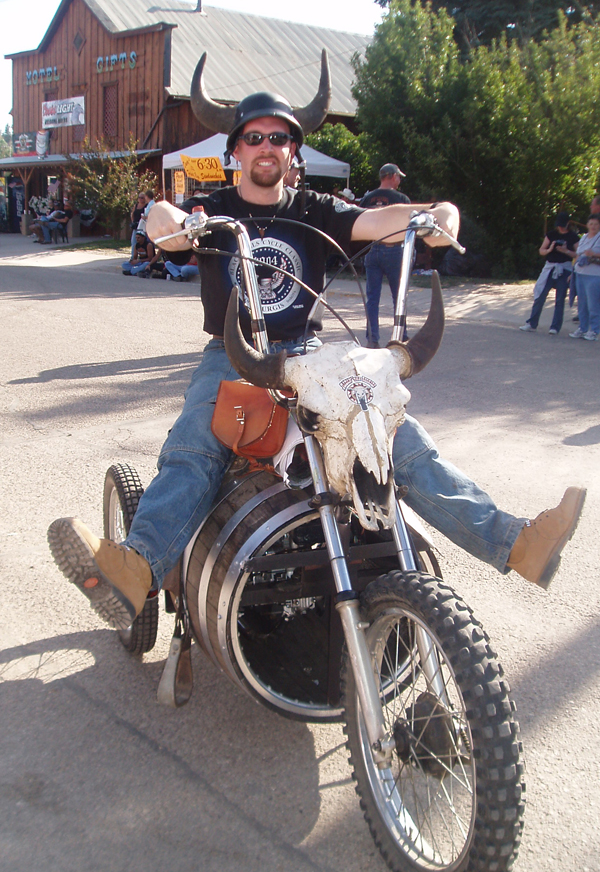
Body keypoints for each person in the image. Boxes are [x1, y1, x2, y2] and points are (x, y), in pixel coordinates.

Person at [47, 88, 585, 632]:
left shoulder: (314, 209)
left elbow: (381, 221)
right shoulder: (212, 210)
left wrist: (437, 213)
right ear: (236, 150)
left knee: (396, 437)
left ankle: (518, 543)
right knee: (195, 447)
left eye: (279, 138)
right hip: (234, 356)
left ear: (292, 153)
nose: (267, 147)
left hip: (308, 353)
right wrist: (166, 219)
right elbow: (166, 224)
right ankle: (136, 569)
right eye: (254, 137)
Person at [360, 164, 411, 347]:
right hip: (393, 249)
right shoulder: (401, 199)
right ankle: (400, 336)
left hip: (372, 249)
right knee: (399, 296)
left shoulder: (367, 198)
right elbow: (409, 225)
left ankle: (372, 339)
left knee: (372, 298)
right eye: (399, 177)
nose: (399, 180)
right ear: (392, 176)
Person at [519, 212, 579, 335]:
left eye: (563, 225)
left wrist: (566, 251)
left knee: (560, 298)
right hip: (550, 267)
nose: (561, 228)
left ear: (568, 224)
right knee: (540, 295)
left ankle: (555, 327)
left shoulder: (573, 237)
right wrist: (549, 249)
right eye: (559, 225)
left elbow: (578, 254)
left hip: (565, 268)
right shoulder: (551, 234)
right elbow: (541, 250)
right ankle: (532, 323)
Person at [569, 213, 600, 341]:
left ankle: (594, 330)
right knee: (581, 303)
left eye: (596, 224)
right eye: (591, 224)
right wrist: (572, 272)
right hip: (580, 274)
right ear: (587, 225)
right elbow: (577, 255)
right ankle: (582, 328)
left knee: (593, 304)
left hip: (594, 275)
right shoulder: (584, 237)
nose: (593, 226)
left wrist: (594, 254)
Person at [129, 193, 146, 259]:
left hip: (142, 227)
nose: (140, 199)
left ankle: (144, 257)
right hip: (136, 227)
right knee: (134, 242)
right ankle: (133, 257)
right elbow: (132, 214)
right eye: (139, 198)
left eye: (142, 198)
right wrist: (133, 221)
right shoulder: (136, 205)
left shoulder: (146, 206)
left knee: (143, 242)